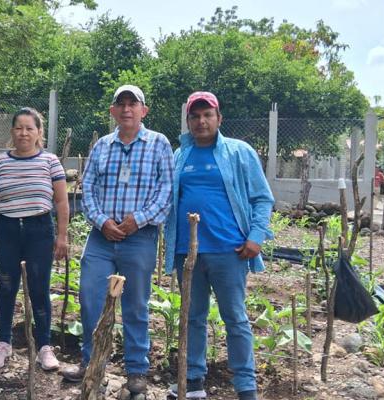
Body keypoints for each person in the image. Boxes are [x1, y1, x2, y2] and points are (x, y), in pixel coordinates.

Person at [62, 85, 174, 395]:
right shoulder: (102, 146)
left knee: (135, 304)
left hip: (140, 237)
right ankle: (91, 361)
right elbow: (89, 189)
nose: (126, 109)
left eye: (132, 104)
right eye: (120, 104)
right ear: (112, 111)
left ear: (143, 111)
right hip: (101, 238)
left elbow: (166, 191)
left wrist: (137, 220)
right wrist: (102, 221)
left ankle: (136, 369)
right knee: (89, 298)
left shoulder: (158, 144)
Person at [164, 92, 274, 400]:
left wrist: (256, 236)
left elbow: (262, 197)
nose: (201, 121)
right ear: (188, 122)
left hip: (229, 251)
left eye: (207, 115)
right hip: (189, 253)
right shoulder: (180, 156)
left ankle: (245, 387)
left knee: (235, 318)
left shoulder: (239, 152)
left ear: (219, 119)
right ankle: (195, 381)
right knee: (193, 317)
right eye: (195, 116)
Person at [0, 107, 69, 371]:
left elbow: (61, 202)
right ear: (12, 131)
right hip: (7, 231)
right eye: (19, 127)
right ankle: (3, 343)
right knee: (6, 287)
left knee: (39, 289)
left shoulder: (50, 162)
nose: (24, 133)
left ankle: (44, 347)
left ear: (39, 132)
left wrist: (62, 236)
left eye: (30, 128)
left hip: (40, 230)